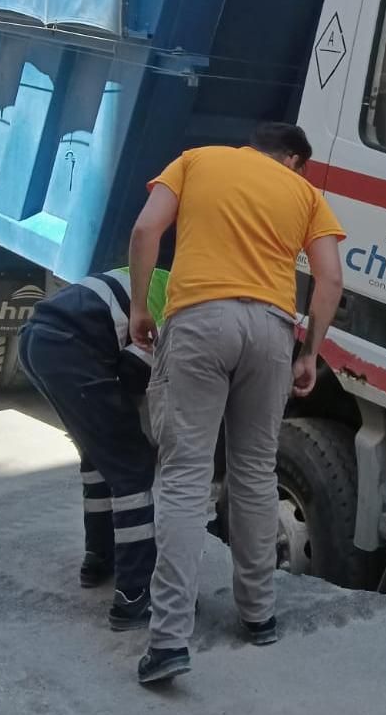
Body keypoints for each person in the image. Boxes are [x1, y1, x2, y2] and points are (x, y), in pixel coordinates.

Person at [128, 121, 345, 686]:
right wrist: (310, 353)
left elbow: (145, 230)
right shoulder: (306, 194)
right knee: (254, 472)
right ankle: (258, 614)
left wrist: (138, 309)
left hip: (199, 319)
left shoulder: (196, 159)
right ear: (294, 160)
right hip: (271, 330)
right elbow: (329, 279)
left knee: (184, 476)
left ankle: (170, 640)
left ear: (252, 146)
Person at [18, 266, 169, 630]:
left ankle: (99, 557)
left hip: (37, 339)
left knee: (98, 453)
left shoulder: (160, 278)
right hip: (71, 346)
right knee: (132, 467)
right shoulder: (180, 303)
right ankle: (134, 596)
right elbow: (134, 371)